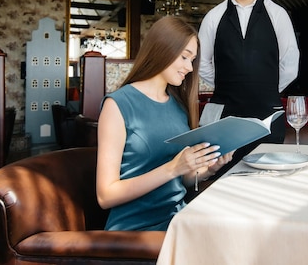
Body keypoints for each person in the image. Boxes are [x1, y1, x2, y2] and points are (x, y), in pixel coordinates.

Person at [96, 16, 233, 231]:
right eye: (185, 57)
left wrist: (208, 168)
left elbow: (182, 179)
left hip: (178, 219)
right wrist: (172, 168)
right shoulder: (117, 105)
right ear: (163, 49)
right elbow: (105, 195)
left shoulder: (178, 105)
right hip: (136, 229)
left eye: (193, 60)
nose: (189, 67)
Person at [199, 0, 300, 164]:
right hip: (224, 117)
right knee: (223, 177)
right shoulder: (213, 17)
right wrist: (228, 83)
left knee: (267, 177)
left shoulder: (278, 14)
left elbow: (290, 64)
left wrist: (263, 87)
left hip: (268, 113)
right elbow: (202, 63)